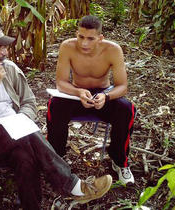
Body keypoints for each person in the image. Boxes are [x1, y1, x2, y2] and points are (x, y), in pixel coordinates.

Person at [0, 22, 112, 210]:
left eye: (5, 46)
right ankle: (73, 186)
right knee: (24, 138)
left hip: (18, 134)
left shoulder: (10, 69)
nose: (5, 52)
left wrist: (21, 121)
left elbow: (29, 102)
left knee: (23, 154)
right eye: (0, 47)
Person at [46, 15, 136, 185]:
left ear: (100, 38)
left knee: (127, 109)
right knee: (54, 105)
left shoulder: (113, 50)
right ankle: (56, 159)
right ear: (76, 34)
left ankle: (119, 161)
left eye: (90, 38)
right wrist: (78, 92)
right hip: (76, 93)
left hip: (102, 95)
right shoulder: (67, 47)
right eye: (80, 37)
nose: (84, 43)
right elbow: (61, 83)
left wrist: (106, 96)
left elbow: (122, 87)